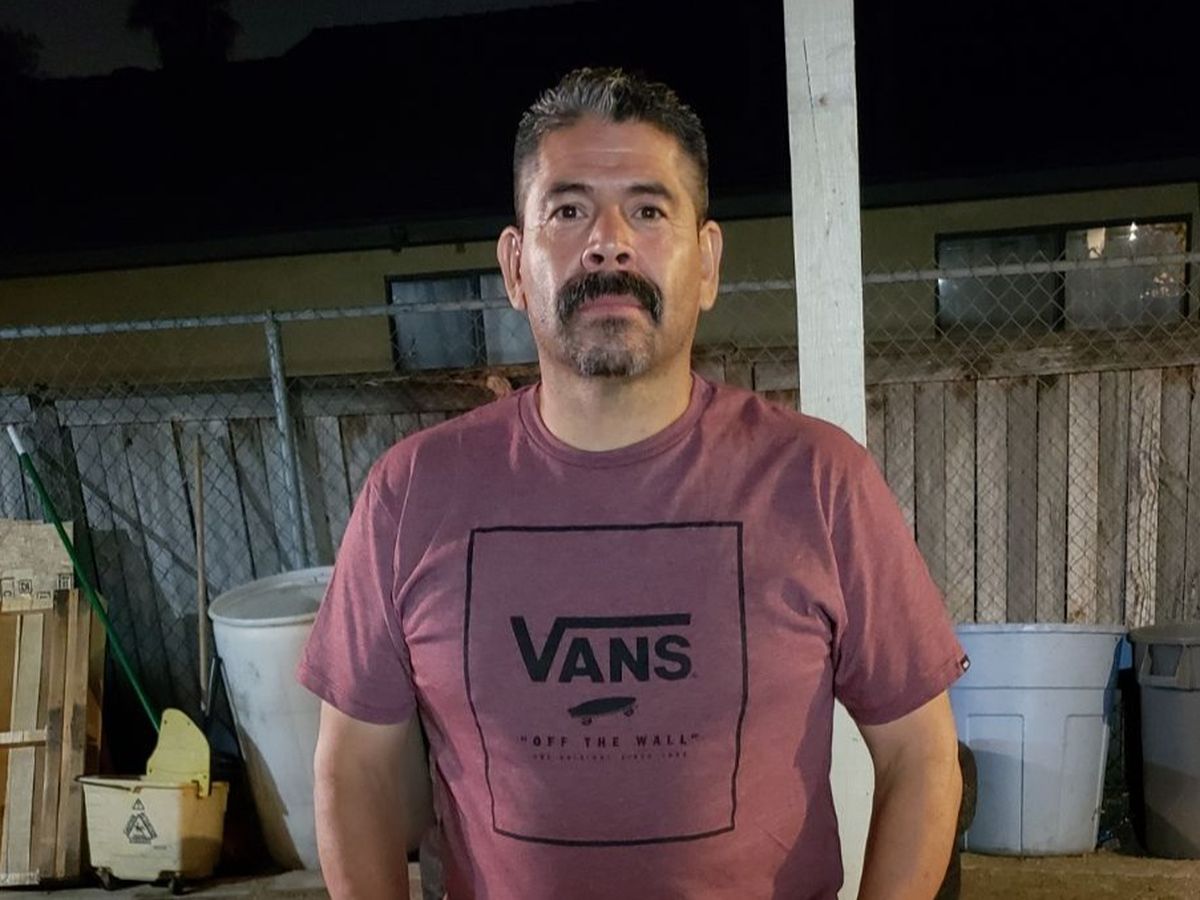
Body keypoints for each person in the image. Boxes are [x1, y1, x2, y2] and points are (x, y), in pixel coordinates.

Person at [298, 67, 967, 900]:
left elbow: (920, 754)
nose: (607, 243)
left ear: (707, 263)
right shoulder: (410, 495)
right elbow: (354, 768)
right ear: (515, 265)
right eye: (567, 210)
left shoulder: (822, 483)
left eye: (648, 211)